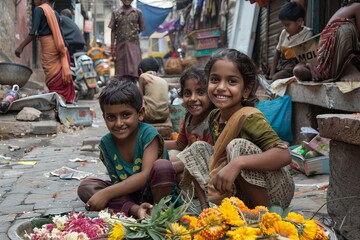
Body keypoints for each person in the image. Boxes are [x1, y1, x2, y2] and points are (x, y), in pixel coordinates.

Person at [177, 49, 295, 210]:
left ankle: (264, 216)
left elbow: (284, 154)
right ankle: (207, 211)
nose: (221, 87)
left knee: (237, 146)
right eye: (214, 79)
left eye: (232, 81)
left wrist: (238, 163)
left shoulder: (250, 117)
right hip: (240, 191)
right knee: (196, 149)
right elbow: (218, 158)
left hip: (274, 192)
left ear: (246, 90)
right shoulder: (214, 117)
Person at [77, 79, 178, 219]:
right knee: (86, 187)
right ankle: (136, 210)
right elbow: (117, 181)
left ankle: (157, 212)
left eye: (126, 115)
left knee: (163, 167)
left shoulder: (148, 134)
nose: (119, 123)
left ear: (140, 113)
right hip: (129, 196)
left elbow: (145, 175)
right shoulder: (106, 143)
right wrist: (108, 193)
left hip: (156, 192)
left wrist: (106, 194)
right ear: (104, 118)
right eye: (111, 117)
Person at [165, 66, 215, 206]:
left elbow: (209, 158)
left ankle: (199, 205)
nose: (193, 98)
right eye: (188, 93)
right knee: (171, 154)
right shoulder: (188, 117)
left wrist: (170, 167)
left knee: (172, 169)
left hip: (208, 168)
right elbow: (179, 144)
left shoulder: (212, 120)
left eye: (200, 92)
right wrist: (153, 142)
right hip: (192, 164)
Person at [15, 0, 75, 103]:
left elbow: (33, 32)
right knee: (57, 72)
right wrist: (64, 54)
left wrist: (20, 47)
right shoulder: (54, 13)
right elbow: (61, 35)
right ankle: (62, 98)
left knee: (51, 72)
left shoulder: (39, 10)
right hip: (60, 48)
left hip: (49, 46)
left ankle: (57, 98)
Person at [293, 1, 360, 82]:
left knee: (299, 70)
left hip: (326, 62)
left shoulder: (346, 9)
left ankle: (308, 67)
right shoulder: (357, 7)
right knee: (345, 29)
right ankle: (347, 69)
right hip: (332, 57)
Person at [269, 1, 313, 81]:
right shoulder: (284, 33)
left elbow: (309, 57)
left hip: (297, 64)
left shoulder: (308, 34)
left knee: (276, 78)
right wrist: (271, 74)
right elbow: (277, 53)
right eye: (283, 25)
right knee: (273, 76)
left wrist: (273, 77)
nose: (285, 28)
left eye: (287, 25)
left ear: (299, 21)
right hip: (284, 64)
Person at [108, 0, 145, 83]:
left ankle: (135, 90)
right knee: (120, 73)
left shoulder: (138, 13)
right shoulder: (116, 12)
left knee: (135, 71)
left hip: (134, 45)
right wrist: (112, 46)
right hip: (120, 45)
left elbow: (141, 29)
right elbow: (113, 30)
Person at [138, 58, 169, 123]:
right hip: (164, 116)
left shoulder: (143, 76)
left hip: (149, 117)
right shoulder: (164, 81)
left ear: (140, 70)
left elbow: (140, 95)